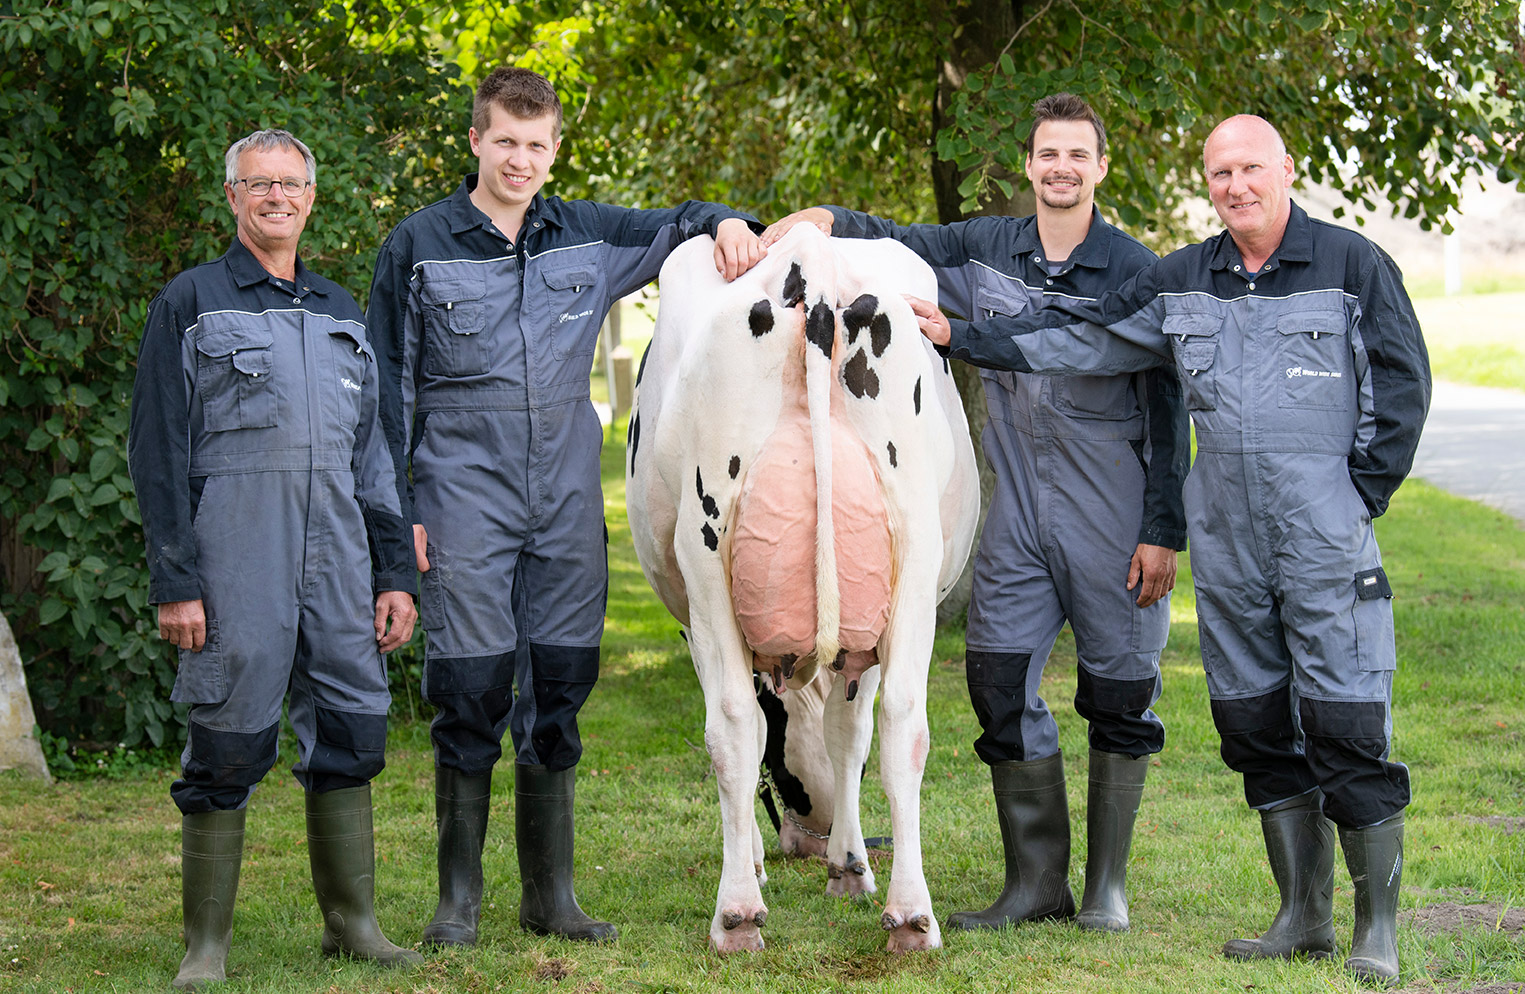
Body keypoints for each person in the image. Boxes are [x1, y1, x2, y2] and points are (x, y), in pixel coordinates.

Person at [910, 114, 1430, 984]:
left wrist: (1354, 497)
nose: (1236, 186)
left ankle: (1374, 929)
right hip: (1226, 544)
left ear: (1285, 170)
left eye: (1251, 169)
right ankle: (1299, 916)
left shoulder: (1352, 266)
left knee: (1345, 721)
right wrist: (965, 336)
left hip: (1322, 539)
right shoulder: (1181, 278)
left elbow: (1402, 384)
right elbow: (1082, 337)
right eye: (1220, 172)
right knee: (1253, 722)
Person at [764, 93, 1189, 934]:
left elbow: (1167, 406)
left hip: (1113, 515)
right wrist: (827, 216)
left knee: (1118, 696)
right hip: (1017, 513)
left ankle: (1104, 888)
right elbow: (900, 241)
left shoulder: (1139, 271)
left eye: (1078, 155)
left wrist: (1162, 528)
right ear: (1028, 166)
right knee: (996, 683)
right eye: (1047, 155)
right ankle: (1034, 884)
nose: (1061, 168)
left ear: (1101, 167)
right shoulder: (987, 248)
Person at [365, 66, 766, 947]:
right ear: (474, 140)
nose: (520, 159)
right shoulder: (418, 245)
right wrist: (396, 531)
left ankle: (551, 897)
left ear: (554, 150)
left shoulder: (584, 234)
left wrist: (730, 221)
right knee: (470, 689)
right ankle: (456, 903)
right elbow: (386, 400)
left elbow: (683, 225)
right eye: (504, 141)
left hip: (563, 505)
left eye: (536, 145)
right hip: (460, 495)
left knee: (559, 685)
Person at [128, 129, 421, 990]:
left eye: (291, 184)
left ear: (311, 196)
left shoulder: (340, 311)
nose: (276, 197)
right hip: (234, 560)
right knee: (225, 740)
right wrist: (176, 582)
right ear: (231, 197)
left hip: (337, 560)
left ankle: (354, 926)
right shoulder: (191, 302)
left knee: (351, 729)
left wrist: (393, 573)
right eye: (259, 185)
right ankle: (204, 950)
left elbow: (375, 456)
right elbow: (157, 451)